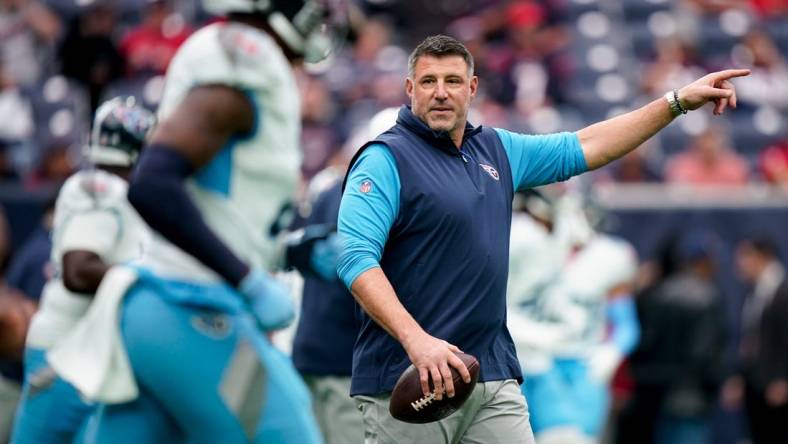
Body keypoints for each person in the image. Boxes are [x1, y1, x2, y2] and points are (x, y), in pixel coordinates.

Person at [336, 34, 749, 442]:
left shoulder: (495, 150)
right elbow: (355, 258)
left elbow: (587, 145)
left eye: (453, 81)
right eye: (429, 82)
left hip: (491, 375)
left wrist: (675, 103)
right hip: (409, 377)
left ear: (472, 88)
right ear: (410, 89)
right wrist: (417, 342)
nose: (441, 93)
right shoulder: (384, 158)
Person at [90, 1, 343, 442]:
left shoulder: (246, 61)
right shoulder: (247, 62)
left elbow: (217, 208)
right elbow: (153, 184)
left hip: (161, 309)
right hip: (190, 308)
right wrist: (246, 278)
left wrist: (286, 251)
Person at [9, 96, 154, 444]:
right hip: (65, 354)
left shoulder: (130, 197)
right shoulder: (100, 188)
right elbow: (79, 270)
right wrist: (150, 281)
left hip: (96, 356)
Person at [508, 192, 640, 444]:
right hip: (522, 361)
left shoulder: (609, 256)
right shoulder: (522, 243)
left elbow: (625, 322)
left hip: (578, 364)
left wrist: (609, 354)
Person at [618, 233, 727, 444]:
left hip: (657, 396)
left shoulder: (659, 293)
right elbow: (704, 355)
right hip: (690, 396)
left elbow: (644, 344)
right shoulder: (707, 297)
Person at [723, 238, 788, 444]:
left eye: (744, 256)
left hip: (776, 386)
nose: (739, 263)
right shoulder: (754, 291)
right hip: (756, 384)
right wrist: (740, 377)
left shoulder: (783, 290)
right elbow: (749, 340)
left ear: (763, 256)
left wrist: (782, 378)